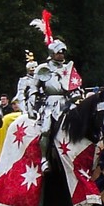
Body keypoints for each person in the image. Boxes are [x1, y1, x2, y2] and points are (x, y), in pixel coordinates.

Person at [34, 40, 80, 172]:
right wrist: (32, 107)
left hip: (67, 102)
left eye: (63, 53)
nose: (61, 55)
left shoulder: (69, 68)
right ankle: (44, 159)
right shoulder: (43, 69)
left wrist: (76, 94)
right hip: (50, 103)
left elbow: (75, 85)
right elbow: (33, 89)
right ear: (52, 54)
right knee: (46, 129)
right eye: (58, 53)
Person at [14, 54, 40, 119]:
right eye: (32, 68)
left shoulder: (42, 79)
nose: (34, 69)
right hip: (29, 106)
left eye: (35, 67)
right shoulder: (24, 80)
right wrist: (24, 110)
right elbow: (20, 95)